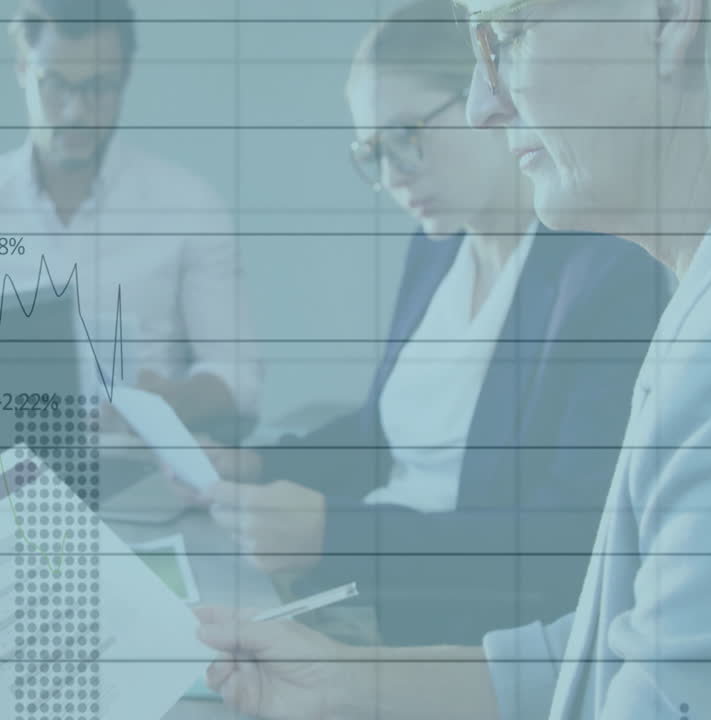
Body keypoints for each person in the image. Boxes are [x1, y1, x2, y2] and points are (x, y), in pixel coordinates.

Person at [197, 1, 711, 719]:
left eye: (508, 36)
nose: (483, 107)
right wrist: (353, 684)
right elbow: (611, 643)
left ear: (669, 12)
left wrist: (337, 539)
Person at [193, 0, 665, 646]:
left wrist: (337, 533)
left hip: (467, 640)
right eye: (373, 153)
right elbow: (381, 436)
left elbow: (566, 540)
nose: (393, 177)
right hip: (372, 600)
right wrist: (255, 463)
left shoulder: (606, 273)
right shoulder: (437, 247)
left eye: (407, 136)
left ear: (487, 97)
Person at [0, 0, 261, 440]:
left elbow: (239, 375)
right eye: (54, 84)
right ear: (21, 70)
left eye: (98, 87)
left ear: (125, 78)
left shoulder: (190, 208)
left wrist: (173, 402)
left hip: (136, 461)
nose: (75, 112)